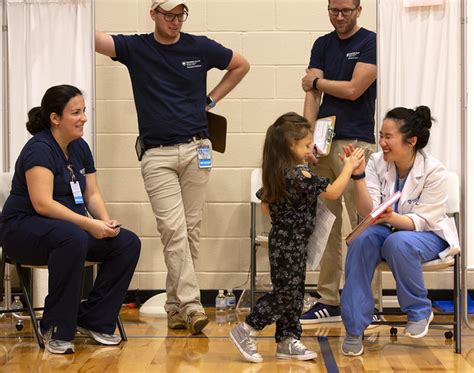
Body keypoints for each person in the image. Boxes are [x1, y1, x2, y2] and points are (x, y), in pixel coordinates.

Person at [95, 0, 249, 335]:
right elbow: (94, 39)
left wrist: (212, 99)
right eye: (168, 15)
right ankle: (193, 305)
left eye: (180, 15)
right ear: (153, 14)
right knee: (173, 230)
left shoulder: (199, 46)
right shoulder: (136, 47)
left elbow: (240, 65)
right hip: (157, 155)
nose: (175, 21)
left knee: (189, 232)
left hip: (197, 149)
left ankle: (174, 307)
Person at [0, 85, 141, 354]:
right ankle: (55, 327)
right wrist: (90, 225)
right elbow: (43, 204)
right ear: (55, 118)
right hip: (23, 230)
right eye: (76, 113)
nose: (83, 118)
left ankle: (93, 319)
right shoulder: (39, 149)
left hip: (67, 230)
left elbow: (92, 193)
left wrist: (105, 223)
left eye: (84, 111)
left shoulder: (80, 147)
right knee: (72, 237)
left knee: (126, 242)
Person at [229, 112, 365, 363]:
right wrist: (348, 167)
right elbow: (334, 192)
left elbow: (266, 203)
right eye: (305, 146)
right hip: (289, 243)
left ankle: (287, 338)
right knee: (286, 294)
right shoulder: (296, 176)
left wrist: (307, 164)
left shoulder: (282, 171)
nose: (309, 150)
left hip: (289, 241)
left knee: (294, 290)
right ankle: (246, 329)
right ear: (290, 145)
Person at [339, 106, 459, 356]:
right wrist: (358, 176)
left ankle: (419, 310)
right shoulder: (375, 162)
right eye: (381, 135)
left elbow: (422, 222)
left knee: (399, 242)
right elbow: (366, 210)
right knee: (361, 240)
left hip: (427, 235)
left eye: (388, 137)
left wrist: (392, 216)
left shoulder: (434, 171)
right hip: (387, 228)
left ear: (411, 141)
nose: (382, 142)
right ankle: (354, 328)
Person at [300, 0, 377, 324]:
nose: (340, 16)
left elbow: (354, 89)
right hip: (322, 141)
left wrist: (316, 82)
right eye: (334, 10)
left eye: (346, 10)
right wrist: (306, 140)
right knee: (325, 224)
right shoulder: (322, 44)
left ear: (359, 10)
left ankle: (366, 304)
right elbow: (310, 95)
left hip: (355, 143)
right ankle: (328, 299)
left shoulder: (370, 42)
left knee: (363, 226)